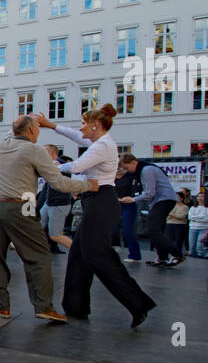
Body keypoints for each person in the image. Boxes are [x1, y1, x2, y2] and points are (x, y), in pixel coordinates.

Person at [38, 108, 151, 325]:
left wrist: (48, 166)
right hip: (95, 201)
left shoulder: (103, 145)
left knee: (97, 255)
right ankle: (75, 306)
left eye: (83, 123)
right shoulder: (98, 142)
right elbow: (75, 135)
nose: (81, 128)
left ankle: (138, 303)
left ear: (95, 125)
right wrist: (51, 125)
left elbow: (77, 166)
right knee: (79, 255)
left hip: (102, 201)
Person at [0, 115, 96, 322]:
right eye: (37, 128)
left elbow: (15, 130)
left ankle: (1, 306)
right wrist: (88, 186)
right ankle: (43, 305)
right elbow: (58, 182)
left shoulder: (1, 145)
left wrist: (29, 119)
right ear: (32, 131)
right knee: (38, 255)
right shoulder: (35, 150)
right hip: (21, 205)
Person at [121, 155, 182, 267]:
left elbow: (150, 193)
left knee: (153, 230)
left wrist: (132, 199)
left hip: (163, 200)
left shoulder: (146, 170)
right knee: (157, 230)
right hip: (162, 200)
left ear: (134, 162)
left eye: (126, 167)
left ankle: (177, 254)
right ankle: (162, 257)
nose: (127, 170)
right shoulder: (146, 168)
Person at [39, 144, 75, 254]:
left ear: (52, 154)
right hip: (49, 203)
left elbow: (68, 167)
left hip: (59, 204)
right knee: (36, 228)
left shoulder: (60, 164)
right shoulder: (50, 165)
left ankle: (81, 253)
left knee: (55, 235)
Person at [114, 162, 142, 260]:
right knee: (110, 227)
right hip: (115, 204)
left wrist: (133, 197)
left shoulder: (130, 175)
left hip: (128, 203)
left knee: (127, 230)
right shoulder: (111, 175)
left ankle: (135, 255)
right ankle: (114, 246)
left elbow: (137, 187)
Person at [166, 189, 192, 258]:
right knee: (169, 240)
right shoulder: (171, 205)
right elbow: (167, 214)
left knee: (178, 241)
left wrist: (173, 215)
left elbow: (182, 216)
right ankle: (170, 254)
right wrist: (173, 215)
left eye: (177, 197)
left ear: (181, 198)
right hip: (170, 224)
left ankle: (177, 255)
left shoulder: (185, 207)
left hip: (180, 225)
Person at [188, 193, 208, 258]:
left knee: (199, 246)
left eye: (202, 196)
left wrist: (196, 218)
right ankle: (193, 258)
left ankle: (201, 258)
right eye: (199, 196)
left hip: (204, 228)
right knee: (192, 246)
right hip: (193, 228)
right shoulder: (193, 207)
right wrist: (201, 217)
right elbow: (190, 217)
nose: (200, 198)